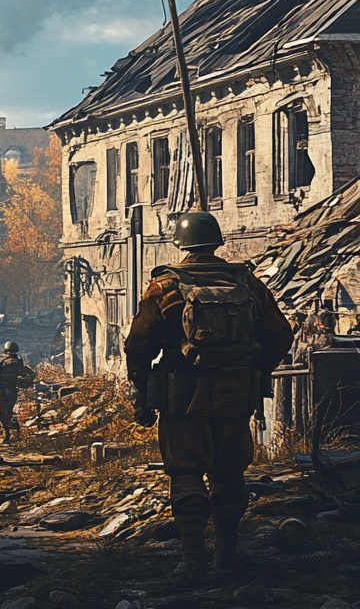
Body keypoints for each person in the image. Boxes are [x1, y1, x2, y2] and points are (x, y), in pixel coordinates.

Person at [125, 211, 292, 586]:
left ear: (180, 243)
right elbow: (281, 335)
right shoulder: (246, 282)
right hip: (236, 396)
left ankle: (192, 561)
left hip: (182, 397)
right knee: (229, 473)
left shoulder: (165, 286)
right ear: (217, 242)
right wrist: (254, 371)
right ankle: (227, 559)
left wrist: (143, 389)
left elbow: (139, 345)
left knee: (186, 474)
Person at [0, 341, 36, 442]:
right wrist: (22, 382)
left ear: (5, 350)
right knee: (9, 411)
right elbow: (31, 374)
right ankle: (14, 428)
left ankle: (7, 434)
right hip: (12, 391)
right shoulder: (18, 363)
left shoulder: (0, 363)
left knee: (1, 413)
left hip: (1, 392)